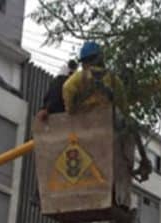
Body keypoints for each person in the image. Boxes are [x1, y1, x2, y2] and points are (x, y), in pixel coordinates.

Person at [62, 41, 151, 180]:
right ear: (101, 58)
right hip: (108, 127)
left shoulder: (79, 78)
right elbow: (124, 109)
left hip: (83, 126)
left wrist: (71, 112)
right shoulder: (115, 81)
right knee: (131, 124)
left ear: (85, 62)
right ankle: (143, 162)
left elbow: (67, 89)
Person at [62, 41, 127, 114]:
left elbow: (67, 87)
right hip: (108, 122)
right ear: (100, 57)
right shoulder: (114, 79)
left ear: (83, 61)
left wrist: (71, 110)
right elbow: (122, 106)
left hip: (84, 121)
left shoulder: (78, 77)